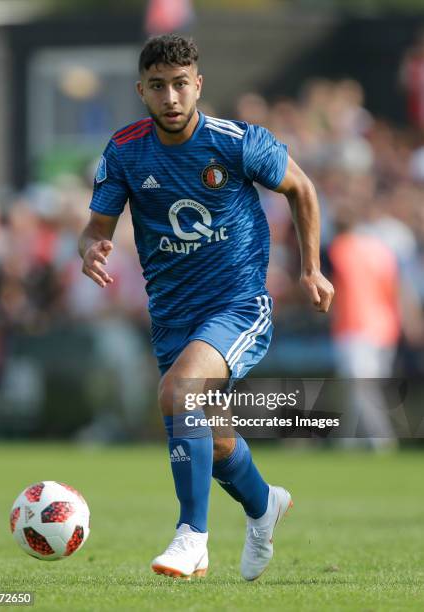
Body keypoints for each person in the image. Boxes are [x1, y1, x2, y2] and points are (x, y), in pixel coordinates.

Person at [78, 34, 334, 581]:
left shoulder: (237, 141)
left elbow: (303, 190)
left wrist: (310, 267)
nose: (170, 97)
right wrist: (91, 248)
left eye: (179, 85)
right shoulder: (124, 150)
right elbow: (95, 227)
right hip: (173, 316)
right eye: (157, 87)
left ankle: (191, 536)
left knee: (179, 393)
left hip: (238, 304)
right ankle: (264, 505)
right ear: (141, 91)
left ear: (197, 85)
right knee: (210, 434)